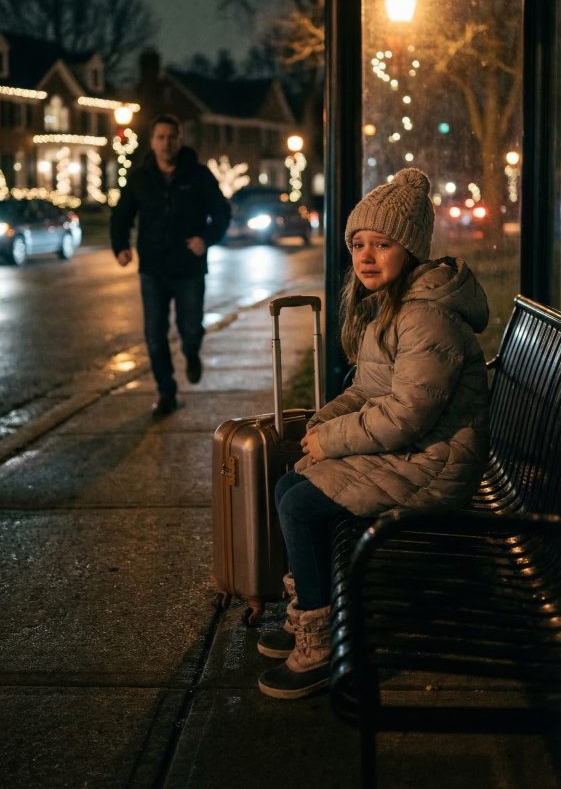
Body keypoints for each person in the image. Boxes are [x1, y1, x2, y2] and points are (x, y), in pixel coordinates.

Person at [257, 167, 490, 700]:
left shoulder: (425, 318)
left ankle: (319, 643)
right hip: (411, 453)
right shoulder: (392, 309)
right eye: (358, 243)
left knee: (298, 504)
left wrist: (334, 441)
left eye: (381, 245)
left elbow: (406, 415)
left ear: (409, 250)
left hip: (434, 463)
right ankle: (313, 613)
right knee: (293, 482)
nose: (365, 256)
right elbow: (366, 391)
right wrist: (322, 425)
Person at [110, 113, 230, 418]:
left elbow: (221, 212)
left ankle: (191, 353)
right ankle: (166, 392)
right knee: (154, 333)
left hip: (189, 267)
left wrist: (207, 238)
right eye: (160, 137)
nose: (166, 143)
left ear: (180, 140)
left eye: (171, 137)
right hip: (152, 268)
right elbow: (121, 215)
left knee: (190, 328)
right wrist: (121, 246)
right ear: (152, 142)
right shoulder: (140, 177)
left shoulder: (199, 175)